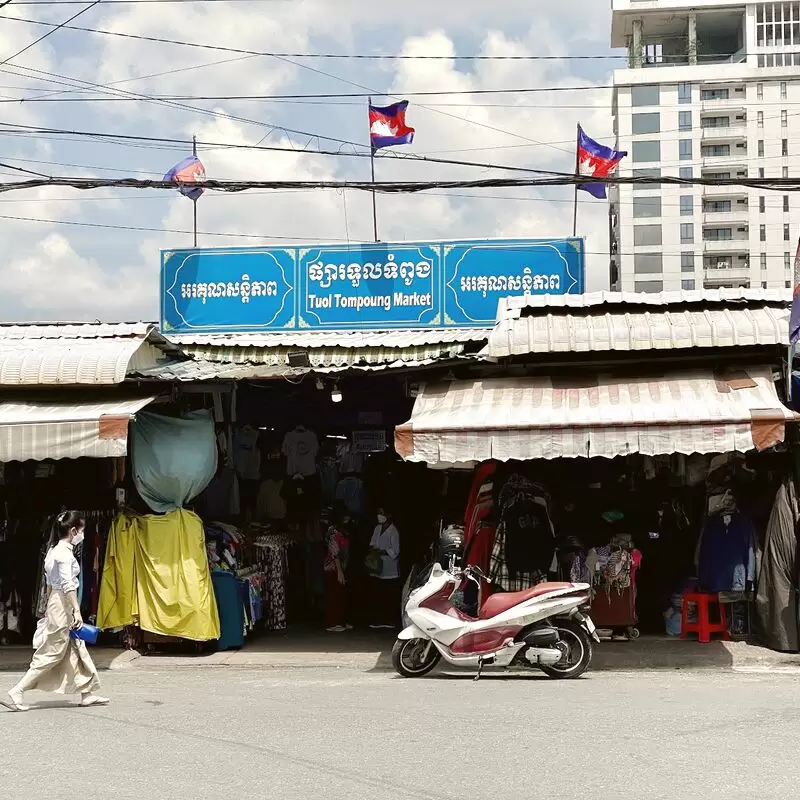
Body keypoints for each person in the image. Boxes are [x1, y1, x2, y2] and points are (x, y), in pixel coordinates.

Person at [3, 511, 108, 712]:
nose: (83, 535)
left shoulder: (53, 551)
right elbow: (67, 586)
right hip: (62, 605)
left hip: (56, 603)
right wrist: (75, 611)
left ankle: (87, 693)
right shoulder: (63, 555)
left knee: (75, 646)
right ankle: (18, 689)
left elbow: (49, 584)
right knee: (53, 651)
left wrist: (49, 608)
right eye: (82, 530)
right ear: (73, 530)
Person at [367, 507, 401, 630]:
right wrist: (374, 550)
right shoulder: (377, 528)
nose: (379, 516)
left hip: (389, 568)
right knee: (378, 594)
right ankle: (378, 619)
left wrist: (383, 551)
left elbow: (396, 551)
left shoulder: (393, 531)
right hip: (377, 566)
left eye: (381, 513)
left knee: (389, 595)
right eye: (378, 513)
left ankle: (389, 620)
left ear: (389, 514)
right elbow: (372, 543)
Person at [324, 507, 351, 632]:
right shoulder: (333, 531)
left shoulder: (342, 530)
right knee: (334, 594)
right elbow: (334, 552)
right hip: (334, 567)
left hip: (342, 565)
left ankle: (341, 621)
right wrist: (339, 570)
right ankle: (332, 623)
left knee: (341, 594)